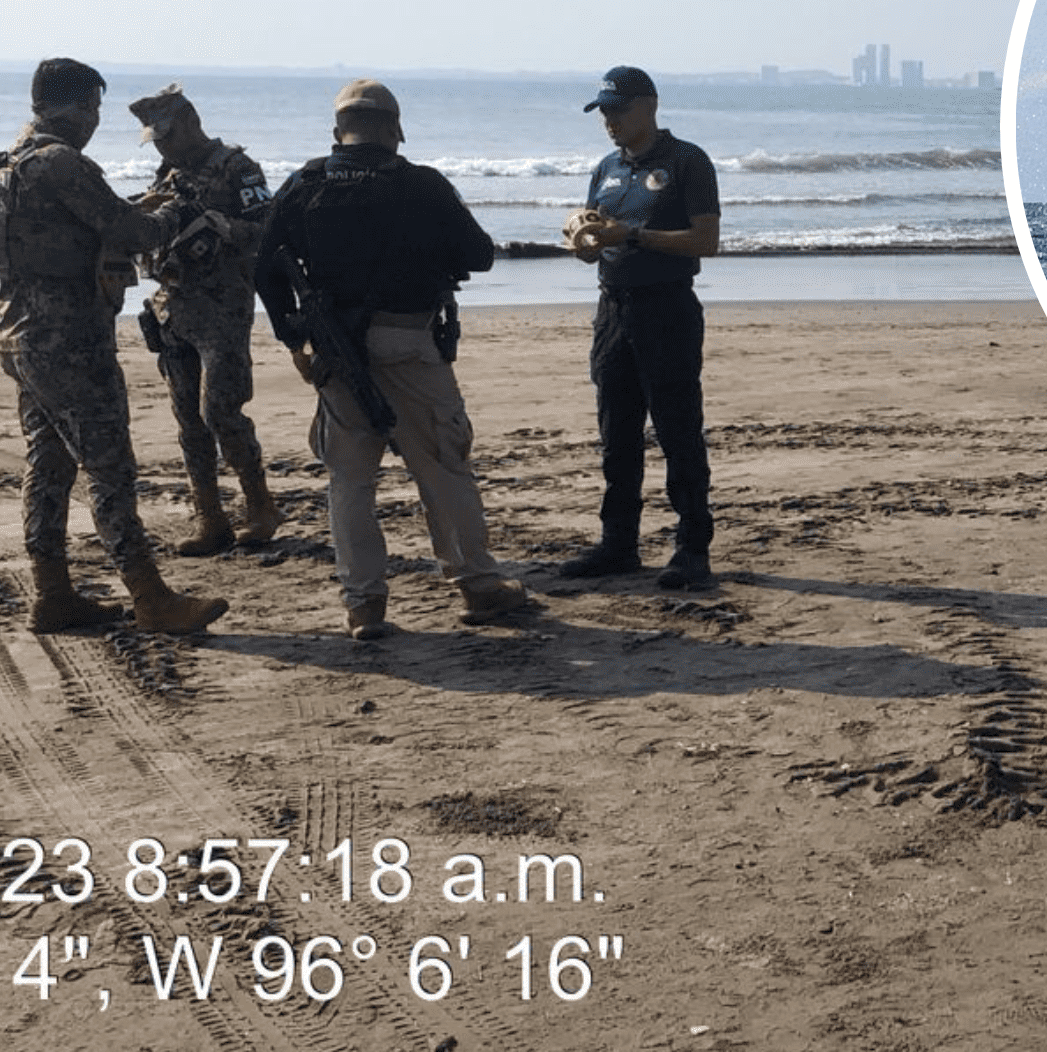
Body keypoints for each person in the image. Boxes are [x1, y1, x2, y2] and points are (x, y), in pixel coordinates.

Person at [253, 79, 527, 639]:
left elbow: (264, 270)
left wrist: (295, 344)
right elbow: (478, 254)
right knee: (443, 465)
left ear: (337, 135)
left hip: (336, 349)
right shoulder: (421, 186)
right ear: (397, 132)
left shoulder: (305, 184)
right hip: (408, 341)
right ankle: (476, 584)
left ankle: (364, 604)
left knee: (350, 481)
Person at [0, 58, 228, 634]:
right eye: (94, 110)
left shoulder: (11, 164)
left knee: (48, 463)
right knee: (109, 467)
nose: (96, 122)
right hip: (71, 339)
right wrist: (179, 208)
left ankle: (53, 594)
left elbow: (77, 228)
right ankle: (151, 597)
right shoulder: (60, 164)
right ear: (73, 108)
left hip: (21, 333)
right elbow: (133, 234)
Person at [559, 65, 720, 590]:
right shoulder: (606, 167)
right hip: (613, 309)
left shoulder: (686, 161)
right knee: (617, 435)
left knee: (677, 432)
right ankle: (618, 544)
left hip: (667, 308)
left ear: (648, 107)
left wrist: (633, 234)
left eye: (619, 110)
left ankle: (692, 549)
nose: (610, 121)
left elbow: (704, 241)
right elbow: (595, 239)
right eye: (603, 111)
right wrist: (585, 241)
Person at [127, 83, 283, 555]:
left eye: (167, 135)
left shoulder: (237, 168)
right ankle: (209, 517)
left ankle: (259, 506)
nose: (162, 145)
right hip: (173, 310)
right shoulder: (167, 173)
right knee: (189, 421)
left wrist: (223, 226)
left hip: (223, 309)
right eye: (155, 138)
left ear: (192, 122)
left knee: (221, 411)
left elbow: (271, 229)